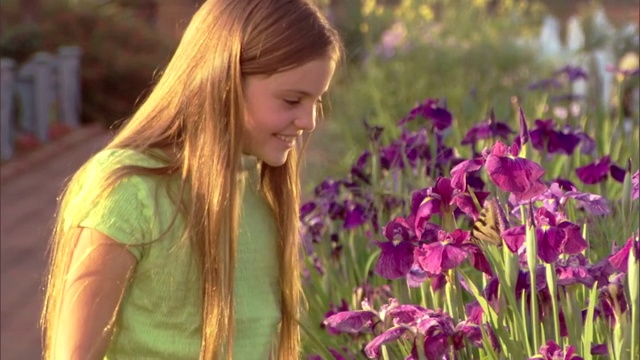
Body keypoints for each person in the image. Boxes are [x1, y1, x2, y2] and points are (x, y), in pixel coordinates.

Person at [40, 0, 342, 358]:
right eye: (292, 100)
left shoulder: (259, 191)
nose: (308, 121)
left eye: (316, 101)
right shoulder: (130, 189)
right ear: (223, 80)